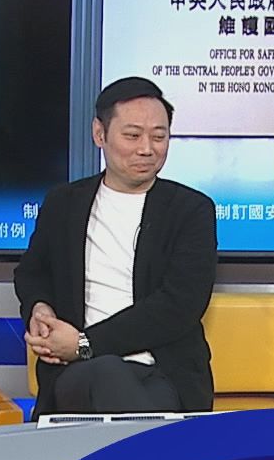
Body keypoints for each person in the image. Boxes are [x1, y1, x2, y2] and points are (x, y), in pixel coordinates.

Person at [14, 77, 218, 415]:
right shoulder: (64, 203)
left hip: (163, 374)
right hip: (77, 373)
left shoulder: (191, 210)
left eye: (159, 137)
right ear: (100, 134)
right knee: (106, 373)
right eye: (133, 136)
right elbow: (32, 273)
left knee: (116, 382)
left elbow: (179, 306)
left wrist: (84, 344)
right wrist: (40, 309)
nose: (147, 149)